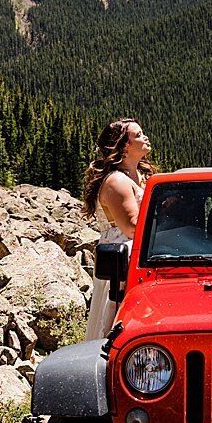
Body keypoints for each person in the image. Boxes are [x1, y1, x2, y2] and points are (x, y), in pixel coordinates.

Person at [81, 118, 153, 341]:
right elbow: (132, 227)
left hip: (141, 249)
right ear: (124, 146)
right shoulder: (116, 181)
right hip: (121, 255)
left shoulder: (140, 176)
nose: (146, 137)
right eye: (139, 135)